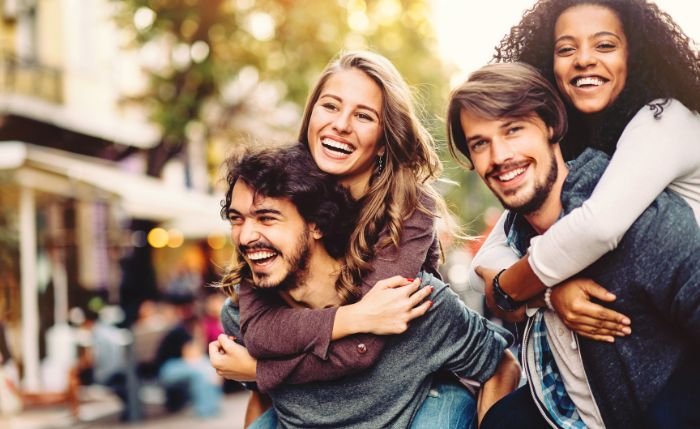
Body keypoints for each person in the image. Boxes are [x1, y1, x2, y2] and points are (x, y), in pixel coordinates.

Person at [212, 50, 472, 426]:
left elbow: (362, 349)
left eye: (364, 116)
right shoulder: (278, 197)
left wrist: (260, 370)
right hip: (320, 398)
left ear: (384, 140)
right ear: (311, 115)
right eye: (330, 106)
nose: (341, 125)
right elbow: (261, 332)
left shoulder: (409, 210)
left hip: (405, 391)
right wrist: (353, 317)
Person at [447, 61, 700, 429]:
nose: (499, 156)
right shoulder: (514, 238)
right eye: (480, 144)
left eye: (513, 130)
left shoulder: (643, 222)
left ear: (551, 126)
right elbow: (492, 281)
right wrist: (548, 294)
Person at [211, 143, 520, 428]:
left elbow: (501, 366)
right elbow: (264, 399)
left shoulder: (408, 302)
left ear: (316, 223)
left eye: (266, 218)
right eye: (236, 219)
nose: (246, 236)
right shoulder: (241, 318)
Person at [468, 0, 700, 344]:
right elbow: (494, 250)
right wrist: (548, 291)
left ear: (634, 55)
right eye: (566, 49)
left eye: (605, 45)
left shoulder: (664, 118)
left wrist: (519, 288)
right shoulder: (571, 139)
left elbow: (596, 227)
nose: (584, 59)